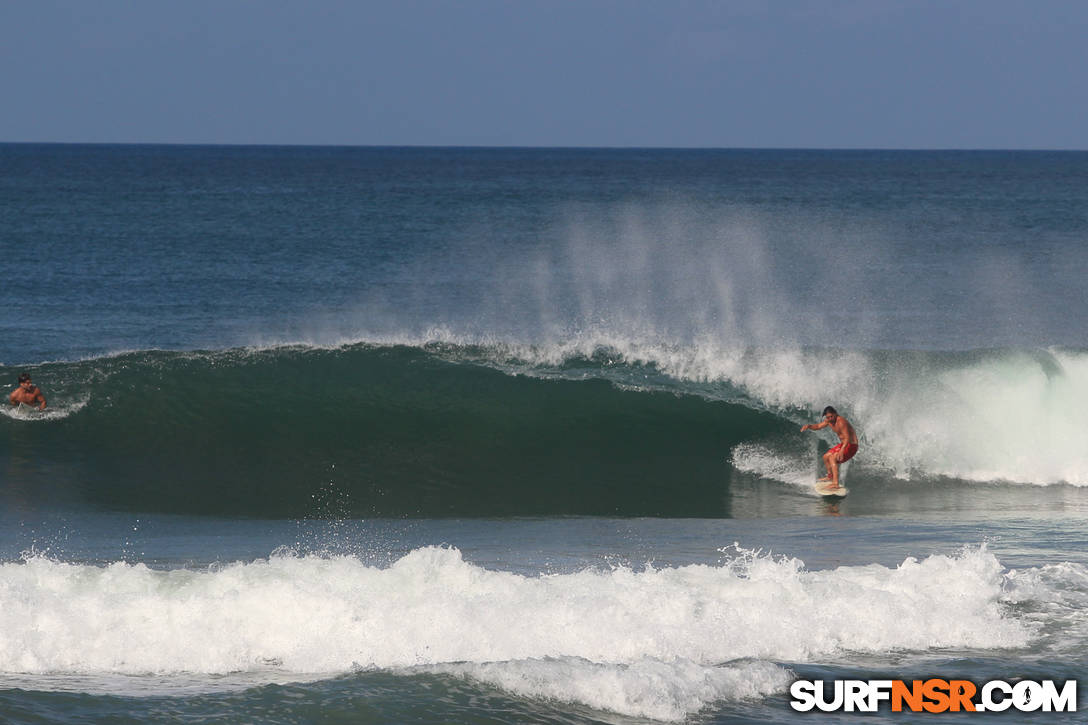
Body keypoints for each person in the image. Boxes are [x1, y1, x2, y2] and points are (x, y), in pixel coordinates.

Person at [801, 406, 857, 489]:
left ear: (835, 414)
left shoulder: (841, 422)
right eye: (828, 417)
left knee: (832, 458)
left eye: (831, 416)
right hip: (844, 444)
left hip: (851, 445)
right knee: (825, 457)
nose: (830, 418)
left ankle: (835, 483)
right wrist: (809, 426)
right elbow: (818, 426)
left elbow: (847, 438)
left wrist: (842, 451)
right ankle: (830, 477)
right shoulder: (829, 421)